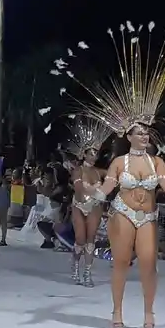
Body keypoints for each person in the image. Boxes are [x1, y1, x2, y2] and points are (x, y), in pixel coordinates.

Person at [55, 23, 165, 328]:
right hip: (122, 214)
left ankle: (149, 313)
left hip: (147, 216)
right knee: (121, 262)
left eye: (147, 132)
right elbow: (106, 188)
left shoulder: (157, 160)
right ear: (129, 136)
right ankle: (117, 311)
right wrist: (88, 195)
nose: (145, 136)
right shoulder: (119, 162)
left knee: (149, 263)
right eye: (139, 132)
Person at [66, 117, 110, 286]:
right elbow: (78, 189)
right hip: (79, 205)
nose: (93, 156)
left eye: (95, 153)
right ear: (84, 154)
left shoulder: (99, 172)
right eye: (90, 153)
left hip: (94, 207)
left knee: (91, 240)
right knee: (80, 239)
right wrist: (92, 194)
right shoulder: (78, 170)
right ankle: (76, 265)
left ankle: (87, 273)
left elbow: (115, 175)